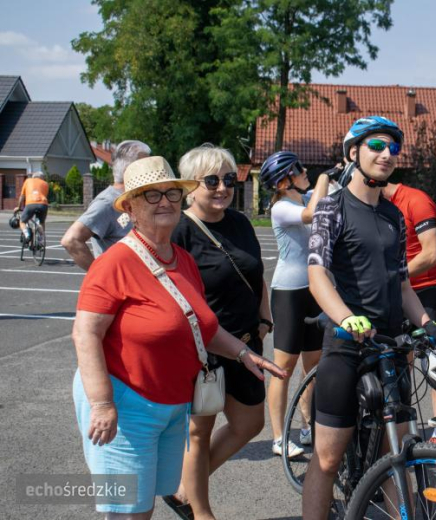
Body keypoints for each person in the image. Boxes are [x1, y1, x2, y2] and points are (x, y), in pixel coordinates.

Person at [71, 156, 286, 519]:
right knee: (129, 512)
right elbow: (85, 332)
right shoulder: (115, 262)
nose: (165, 201)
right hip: (127, 405)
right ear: (131, 207)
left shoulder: (182, 259)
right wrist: (103, 403)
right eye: (151, 195)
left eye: (171, 193)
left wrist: (243, 353)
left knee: (147, 505)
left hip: (171, 406)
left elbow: (202, 326)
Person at [302, 116, 436, 520]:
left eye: (393, 148)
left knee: (396, 455)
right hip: (347, 345)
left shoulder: (392, 216)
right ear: (354, 153)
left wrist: (428, 324)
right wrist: (347, 318)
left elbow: (402, 284)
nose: (387, 155)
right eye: (377, 146)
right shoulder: (331, 208)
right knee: (328, 460)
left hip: (389, 346)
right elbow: (317, 275)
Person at [163, 144, 274, 519]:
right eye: (212, 180)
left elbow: (256, 275)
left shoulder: (240, 223)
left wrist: (265, 318)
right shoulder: (180, 231)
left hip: (247, 343)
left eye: (229, 179)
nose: (222, 187)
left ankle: (184, 488)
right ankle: (201, 511)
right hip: (204, 352)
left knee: (250, 423)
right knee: (199, 432)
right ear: (191, 186)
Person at [260, 151, 330, 458]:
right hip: (289, 292)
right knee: (283, 368)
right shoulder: (282, 207)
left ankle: (307, 425)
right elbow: (313, 213)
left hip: (313, 287)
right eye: (299, 170)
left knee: (313, 365)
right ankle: (278, 437)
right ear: (285, 180)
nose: (306, 172)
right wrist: (327, 178)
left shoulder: (305, 196)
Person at [380, 181, 436, 437]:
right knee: (399, 359)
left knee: (435, 357)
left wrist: (393, 276)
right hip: (397, 290)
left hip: (427, 288)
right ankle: (405, 427)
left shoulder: (415, 200)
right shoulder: (377, 205)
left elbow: (432, 254)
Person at [61, 140, 151, 270]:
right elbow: (71, 240)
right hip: (120, 288)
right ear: (128, 170)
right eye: (145, 165)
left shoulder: (135, 198)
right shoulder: (107, 202)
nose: (150, 170)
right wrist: (99, 275)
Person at [14, 171, 49, 243]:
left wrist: (18, 207)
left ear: (33, 176)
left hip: (31, 204)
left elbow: (22, 196)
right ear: (42, 177)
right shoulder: (45, 183)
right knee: (41, 223)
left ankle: (27, 235)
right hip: (43, 204)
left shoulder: (27, 181)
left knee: (22, 221)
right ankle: (40, 239)